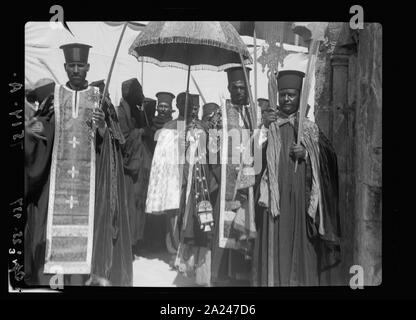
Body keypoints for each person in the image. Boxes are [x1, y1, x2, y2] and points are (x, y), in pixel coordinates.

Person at [24, 43, 132, 286]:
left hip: (90, 185)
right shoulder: (54, 98)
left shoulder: (100, 100)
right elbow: (43, 135)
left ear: (87, 67)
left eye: (80, 66)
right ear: (65, 67)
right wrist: (32, 131)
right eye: (71, 65)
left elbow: (116, 145)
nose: (75, 70)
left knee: (90, 231)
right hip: (57, 182)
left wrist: (103, 126)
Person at [253, 69, 341, 286]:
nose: (286, 99)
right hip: (276, 198)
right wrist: (263, 129)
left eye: (291, 94)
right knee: (276, 242)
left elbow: (330, 159)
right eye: (282, 94)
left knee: (302, 243)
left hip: (302, 198)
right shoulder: (270, 125)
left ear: (300, 96)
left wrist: (309, 154)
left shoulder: (310, 129)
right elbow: (252, 157)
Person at [211, 67, 257, 286]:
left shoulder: (253, 114)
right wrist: (220, 175)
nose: (240, 92)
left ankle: (240, 274)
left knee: (244, 222)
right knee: (224, 225)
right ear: (229, 88)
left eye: (244, 88)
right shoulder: (220, 113)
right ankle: (220, 276)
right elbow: (210, 147)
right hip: (225, 181)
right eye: (236, 88)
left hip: (247, 180)